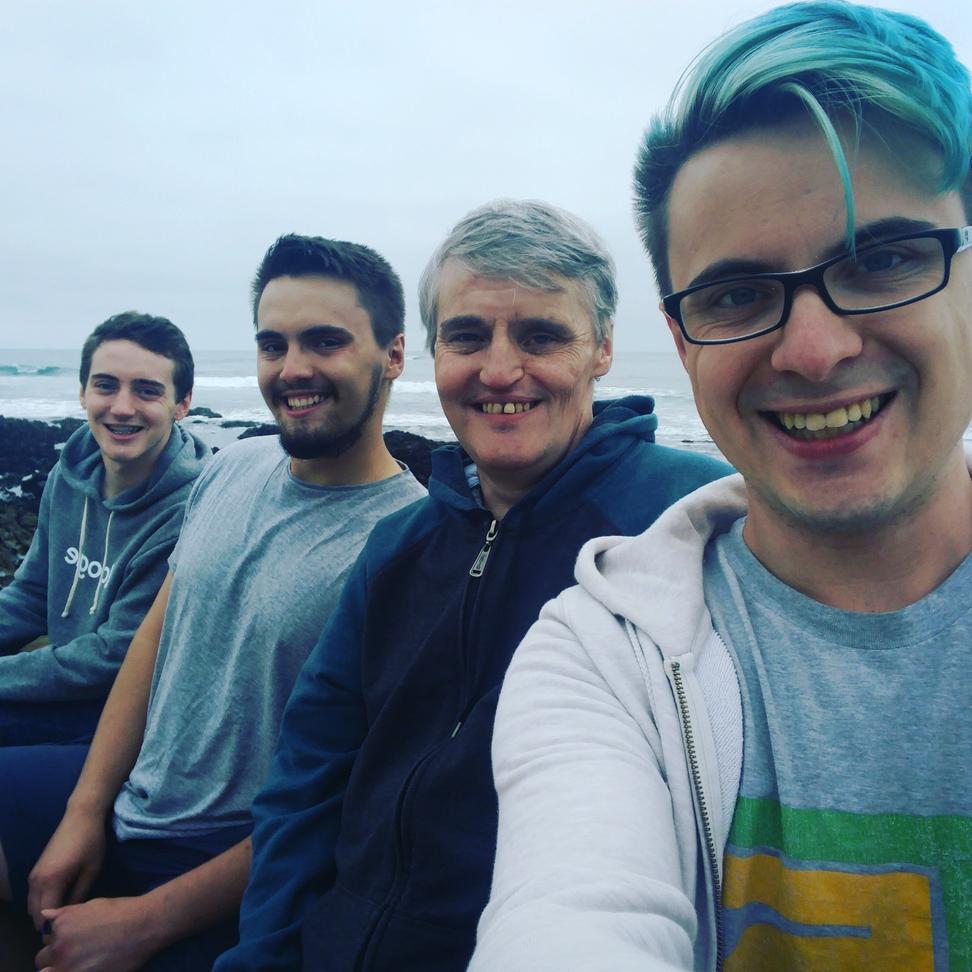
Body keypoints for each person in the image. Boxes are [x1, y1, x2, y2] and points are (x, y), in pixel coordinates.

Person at [471, 4, 972, 971]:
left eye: (883, 261)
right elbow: (571, 912)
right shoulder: (601, 658)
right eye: (736, 295)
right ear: (680, 340)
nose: (815, 350)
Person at [216, 199, 731, 972]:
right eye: (466, 337)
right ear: (432, 352)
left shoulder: (691, 520)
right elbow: (305, 786)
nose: (498, 371)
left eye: (541, 336)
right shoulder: (396, 548)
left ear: (602, 348)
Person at [0, 234, 427, 970]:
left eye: (325, 341)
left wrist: (147, 922)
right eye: (273, 344)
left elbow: (348, 799)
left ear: (392, 354)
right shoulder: (234, 466)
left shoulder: (408, 543)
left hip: (229, 862)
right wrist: (82, 812)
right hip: (129, 796)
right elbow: (154, 641)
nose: (293, 368)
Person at [0, 312, 208, 746]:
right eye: (106, 385)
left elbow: (112, 656)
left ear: (183, 403)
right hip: (61, 694)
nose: (122, 407)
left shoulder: (190, 513)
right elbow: (32, 593)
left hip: (125, 726)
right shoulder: (69, 473)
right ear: (83, 393)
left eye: (147, 390)